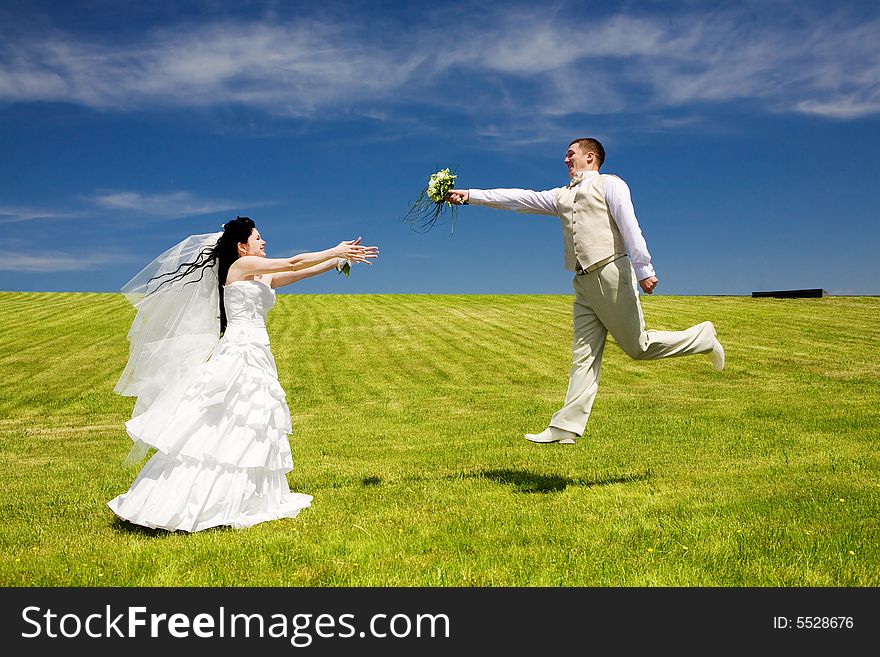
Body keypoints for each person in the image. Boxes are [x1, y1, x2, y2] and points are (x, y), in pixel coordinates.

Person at [446, 138, 724, 445]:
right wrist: (470, 196)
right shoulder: (561, 196)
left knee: (638, 348)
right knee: (583, 355)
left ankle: (703, 338)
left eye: (571, 154)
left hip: (610, 271)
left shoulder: (611, 185)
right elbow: (520, 198)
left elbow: (630, 225)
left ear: (590, 157)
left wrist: (645, 269)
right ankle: (565, 427)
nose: (565, 160)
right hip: (582, 281)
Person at [108, 217, 378, 531]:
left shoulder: (261, 276)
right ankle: (185, 500)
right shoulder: (240, 268)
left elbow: (299, 273)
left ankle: (247, 497)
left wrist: (337, 261)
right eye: (258, 238)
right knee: (223, 420)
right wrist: (334, 248)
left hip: (259, 352)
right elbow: (291, 263)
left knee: (253, 423)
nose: (264, 242)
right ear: (242, 246)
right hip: (239, 351)